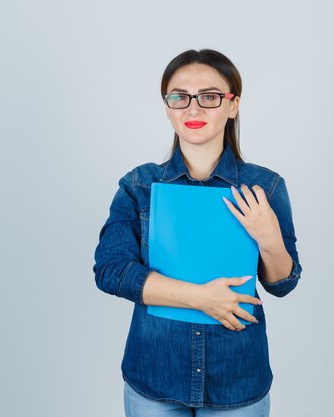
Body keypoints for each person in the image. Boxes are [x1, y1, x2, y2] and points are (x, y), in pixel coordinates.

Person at [93, 49, 302, 417]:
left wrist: (269, 239)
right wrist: (201, 298)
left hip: (237, 377)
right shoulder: (140, 185)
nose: (193, 109)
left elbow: (282, 283)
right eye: (180, 97)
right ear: (167, 106)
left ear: (233, 105)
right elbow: (111, 270)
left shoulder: (264, 187)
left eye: (209, 97)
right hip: (155, 374)